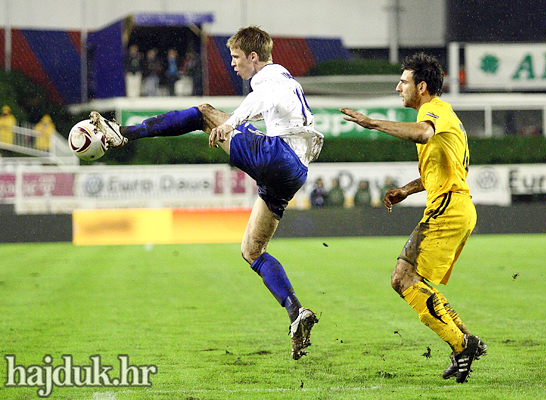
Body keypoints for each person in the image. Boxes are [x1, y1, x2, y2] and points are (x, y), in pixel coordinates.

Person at [89, 26, 323, 360]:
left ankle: (122, 133)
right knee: (252, 250)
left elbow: (262, 99)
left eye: (236, 57)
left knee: (203, 114)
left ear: (253, 57)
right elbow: (268, 108)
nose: (232, 64)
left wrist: (230, 123)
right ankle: (296, 312)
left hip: (277, 155)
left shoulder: (268, 78)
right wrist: (236, 122)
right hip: (293, 173)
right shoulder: (285, 80)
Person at [340, 52, 486, 383]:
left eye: (403, 82)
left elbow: (422, 134)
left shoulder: (433, 111)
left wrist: (371, 122)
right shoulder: (445, 117)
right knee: (407, 278)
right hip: (452, 205)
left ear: (421, 86)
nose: (397, 88)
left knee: (403, 279)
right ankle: (464, 340)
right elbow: (450, 169)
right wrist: (406, 190)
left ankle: (462, 344)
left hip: (448, 208)